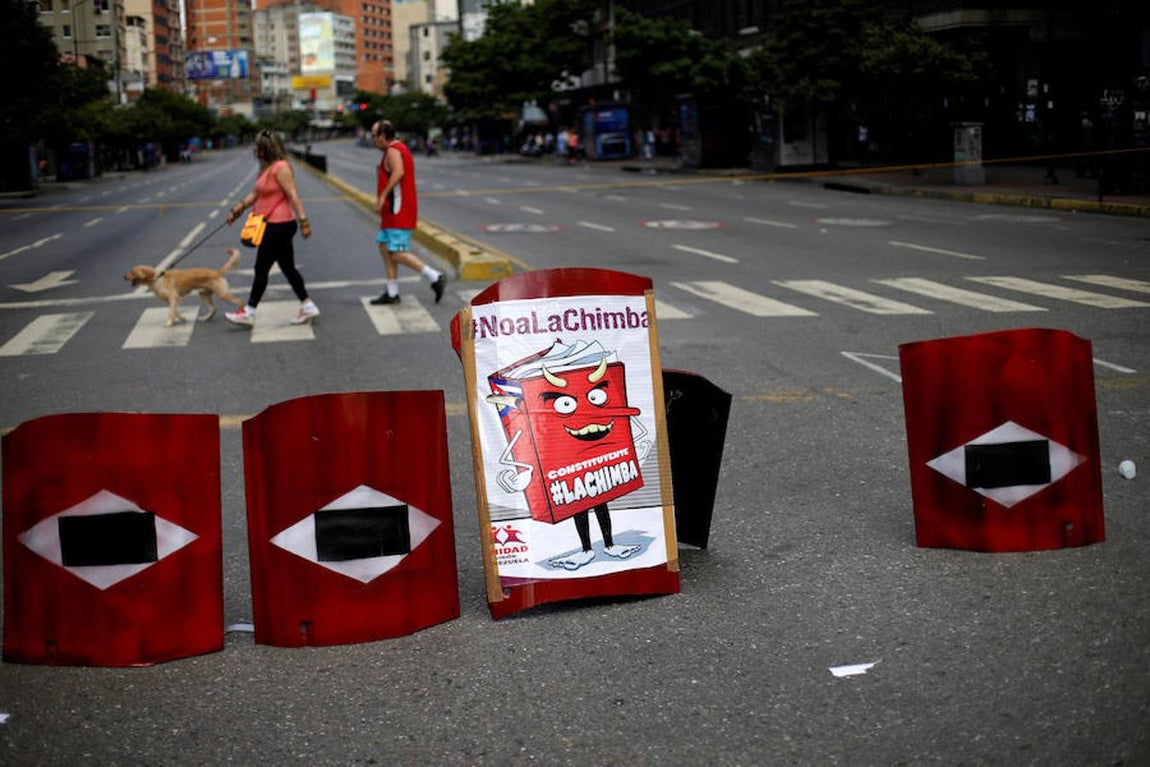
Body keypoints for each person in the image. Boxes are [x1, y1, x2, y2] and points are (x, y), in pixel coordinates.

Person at [224, 129, 318, 326]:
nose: (255, 149)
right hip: (271, 224)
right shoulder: (266, 168)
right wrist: (237, 210)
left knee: (261, 268)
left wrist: (304, 222)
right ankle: (308, 305)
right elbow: (255, 194)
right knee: (288, 268)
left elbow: (293, 195)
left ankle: (249, 311)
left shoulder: (281, 167)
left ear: (267, 148)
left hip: (278, 225)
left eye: (257, 146)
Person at [368, 120, 446, 305]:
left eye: (374, 136)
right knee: (384, 247)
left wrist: (382, 196)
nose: (373, 140)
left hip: (398, 210)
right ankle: (392, 292)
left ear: (383, 136)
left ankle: (435, 276)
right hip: (392, 212)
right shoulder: (396, 149)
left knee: (395, 252)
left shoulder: (393, 151)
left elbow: (398, 172)